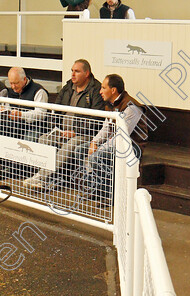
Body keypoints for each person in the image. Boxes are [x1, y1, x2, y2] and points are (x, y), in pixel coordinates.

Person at [23, 59, 105, 191]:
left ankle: (41, 178)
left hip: (84, 134)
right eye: (72, 71)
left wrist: (75, 132)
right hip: (62, 131)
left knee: (69, 145)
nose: (73, 74)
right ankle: (52, 179)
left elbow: (96, 118)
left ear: (87, 73)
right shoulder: (68, 87)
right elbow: (56, 109)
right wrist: (56, 129)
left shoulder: (95, 90)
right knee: (43, 139)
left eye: (77, 71)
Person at [82, 74, 146, 203]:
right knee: (80, 150)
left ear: (113, 90)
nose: (100, 91)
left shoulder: (131, 107)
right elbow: (106, 129)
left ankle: (109, 195)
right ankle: (94, 189)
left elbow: (122, 137)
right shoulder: (111, 104)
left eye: (103, 88)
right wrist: (94, 143)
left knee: (98, 156)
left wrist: (98, 148)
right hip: (114, 143)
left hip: (133, 147)